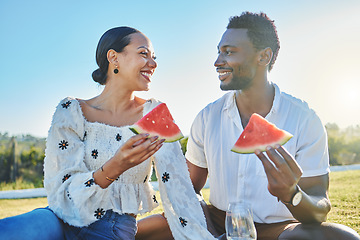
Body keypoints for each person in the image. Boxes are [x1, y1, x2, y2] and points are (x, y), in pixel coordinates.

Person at [137, 12, 360, 240]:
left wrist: (292, 194)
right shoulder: (207, 117)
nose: (217, 61)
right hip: (216, 222)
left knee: (343, 237)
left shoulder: (304, 119)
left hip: (277, 230)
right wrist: (153, 159)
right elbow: (187, 188)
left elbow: (320, 206)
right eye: (219, 51)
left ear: (263, 57)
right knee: (131, 232)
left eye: (229, 52)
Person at [0, 26, 215, 240]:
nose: (153, 63)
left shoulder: (155, 114)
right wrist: (115, 166)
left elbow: (179, 191)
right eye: (143, 54)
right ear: (114, 57)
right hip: (58, 220)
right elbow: (62, 190)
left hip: (112, 230)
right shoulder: (71, 111)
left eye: (154, 57)